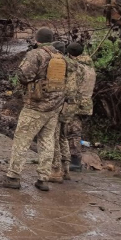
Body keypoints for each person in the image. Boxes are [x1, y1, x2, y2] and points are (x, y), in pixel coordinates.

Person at [0, 27, 66, 191]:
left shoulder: (36, 54)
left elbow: (23, 76)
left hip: (35, 106)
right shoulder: (61, 57)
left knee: (21, 140)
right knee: (47, 142)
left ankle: (13, 176)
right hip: (54, 107)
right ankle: (43, 179)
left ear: (37, 39)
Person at [50, 42, 81, 183]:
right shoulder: (77, 66)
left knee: (55, 137)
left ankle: (56, 170)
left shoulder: (60, 64)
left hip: (61, 103)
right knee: (63, 136)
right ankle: (66, 169)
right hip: (71, 105)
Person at [70, 42, 96, 172]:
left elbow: (71, 87)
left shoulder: (77, 68)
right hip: (86, 103)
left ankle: (75, 161)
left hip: (76, 103)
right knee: (76, 131)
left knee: (74, 131)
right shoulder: (89, 65)